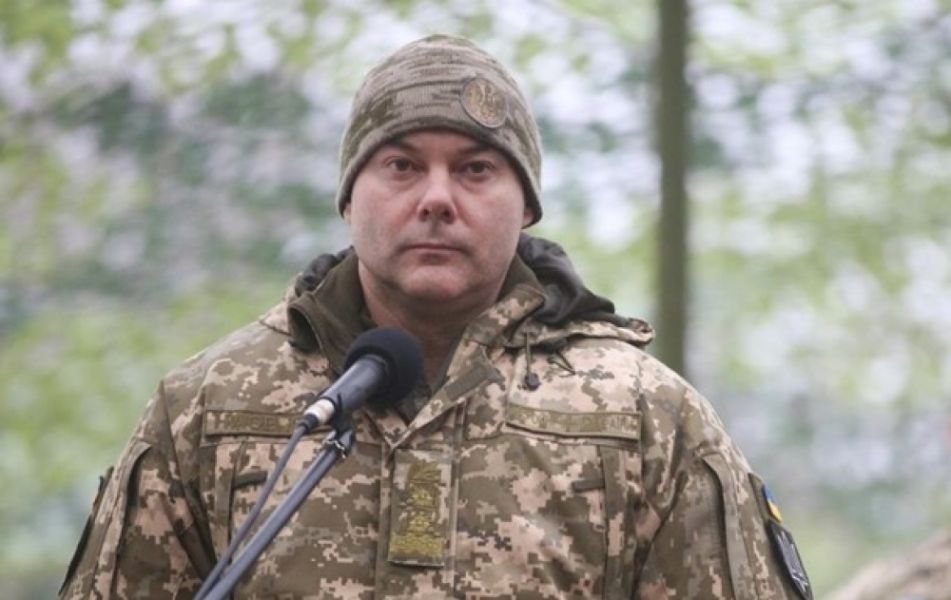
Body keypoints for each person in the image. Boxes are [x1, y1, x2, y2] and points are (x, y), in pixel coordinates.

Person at [60, 34, 812, 599]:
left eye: (475, 169)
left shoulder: (646, 419)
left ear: (526, 207)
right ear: (349, 197)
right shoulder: (210, 405)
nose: (437, 199)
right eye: (402, 165)